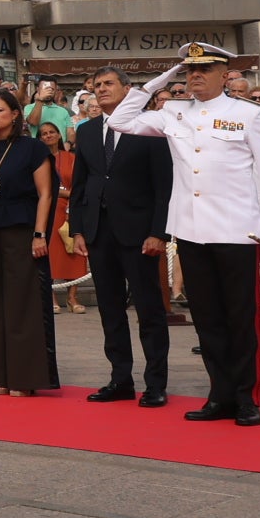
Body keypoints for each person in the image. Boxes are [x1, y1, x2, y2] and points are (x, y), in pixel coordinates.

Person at [109, 44, 260, 426]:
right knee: (206, 319)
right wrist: (162, 77)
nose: (195, 76)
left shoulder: (249, 114)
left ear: (225, 75)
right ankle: (219, 395)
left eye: (204, 69)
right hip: (192, 230)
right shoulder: (173, 112)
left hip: (238, 230)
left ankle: (245, 397)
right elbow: (120, 120)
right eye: (189, 70)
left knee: (239, 319)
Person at [73, 66, 175, 406]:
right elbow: (80, 185)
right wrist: (78, 229)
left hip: (139, 232)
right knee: (109, 309)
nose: (101, 89)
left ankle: (156, 383)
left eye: (108, 84)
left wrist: (159, 232)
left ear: (128, 89)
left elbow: (164, 185)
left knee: (149, 309)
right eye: (96, 84)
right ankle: (120, 379)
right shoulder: (86, 131)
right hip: (100, 233)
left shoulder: (149, 127)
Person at [0, 91, 55, 397]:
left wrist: (40, 234)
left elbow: (45, 194)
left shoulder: (33, 149)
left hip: (20, 230)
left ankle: (24, 376)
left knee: (20, 303)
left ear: (15, 114)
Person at [41, 120, 91, 311]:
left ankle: (73, 298)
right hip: (50, 209)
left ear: (59, 135)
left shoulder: (71, 158)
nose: (48, 136)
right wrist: (64, 193)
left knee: (75, 253)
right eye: (44, 133)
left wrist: (71, 196)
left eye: (51, 132)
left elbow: (80, 183)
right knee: (50, 253)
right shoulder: (39, 160)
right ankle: (51, 299)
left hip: (72, 209)